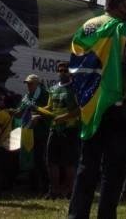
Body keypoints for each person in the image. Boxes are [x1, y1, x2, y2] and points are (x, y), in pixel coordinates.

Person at [67, 0, 126, 219]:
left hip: (91, 106)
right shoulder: (125, 30)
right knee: (114, 169)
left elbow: (75, 68)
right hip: (118, 108)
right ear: (118, 4)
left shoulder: (85, 28)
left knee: (87, 167)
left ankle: (76, 215)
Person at [34, 60, 80, 199]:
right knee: (51, 160)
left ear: (70, 72)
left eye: (65, 70)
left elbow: (80, 109)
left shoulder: (75, 88)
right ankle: (54, 190)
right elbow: (50, 108)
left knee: (69, 162)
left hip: (70, 129)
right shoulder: (53, 89)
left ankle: (69, 191)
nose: (62, 73)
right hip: (54, 129)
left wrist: (64, 117)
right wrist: (38, 112)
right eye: (60, 70)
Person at [15, 73, 49, 194]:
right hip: (27, 131)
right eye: (27, 84)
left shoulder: (45, 94)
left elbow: (50, 110)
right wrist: (14, 112)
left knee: (40, 159)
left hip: (40, 131)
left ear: (37, 84)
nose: (28, 86)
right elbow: (20, 111)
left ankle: (46, 187)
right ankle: (32, 187)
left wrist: (39, 116)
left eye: (30, 84)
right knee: (30, 159)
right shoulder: (27, 96)